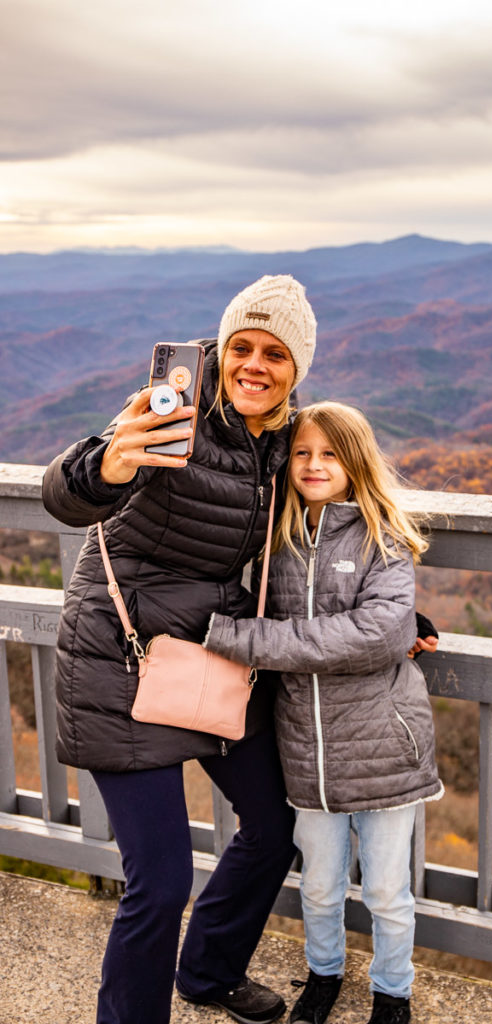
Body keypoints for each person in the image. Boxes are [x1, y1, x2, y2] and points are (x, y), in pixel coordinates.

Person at [42, 275, 319, 1024]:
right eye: (240, 347)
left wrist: (387, 602)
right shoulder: (174, 412)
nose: (253, 365)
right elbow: (67, 493)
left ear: (298, 369)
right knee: (161, 882)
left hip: (212, 654)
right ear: (219, 350)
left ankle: (208, 971)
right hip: (121, 662)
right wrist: (105, 464)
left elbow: (332, 535)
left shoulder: (287, 442)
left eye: (274, 353)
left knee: (273, 828)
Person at [204, 401, 444, 1024]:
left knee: (389, 892)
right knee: (318, 885)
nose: (314, 465)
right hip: (305, 752)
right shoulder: (276, 540)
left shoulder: (380, 534)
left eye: (330, 454)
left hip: (383, 749)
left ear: (355, 461)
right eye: (303, 453)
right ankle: (324, 975)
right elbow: (306, 621)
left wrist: (247, 640)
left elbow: (378, 635)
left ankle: (393, 992)